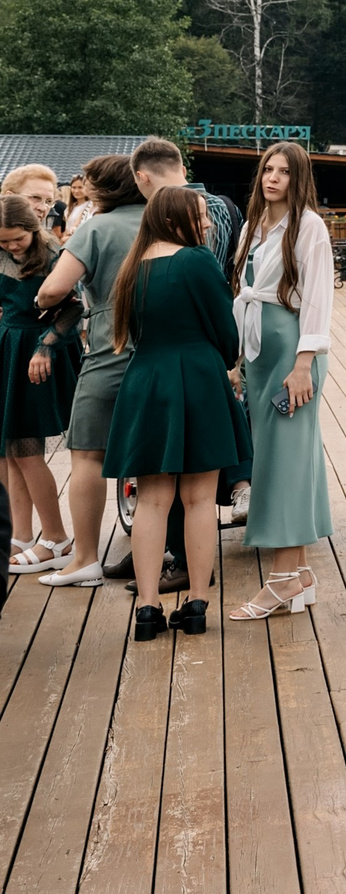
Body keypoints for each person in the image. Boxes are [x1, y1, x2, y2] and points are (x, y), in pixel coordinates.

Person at [33, 146, 207, 588]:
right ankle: (168, 554)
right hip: (166, 353)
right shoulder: (167, 222)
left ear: (107, 189)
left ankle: (86, 558)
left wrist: (41, 302)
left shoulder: (97, 227)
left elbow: (54, 289)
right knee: (165, 460)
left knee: (87, 452)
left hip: (111, 349)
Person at [104, 187, 252, 640]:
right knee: (199, 499)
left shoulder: (133, 266)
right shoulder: (196, 261)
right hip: (197, 378)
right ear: (176, 220)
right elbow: (227, 333)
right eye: (202, 216)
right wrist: (228, 357)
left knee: (151, 500)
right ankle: (197, 605)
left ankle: (147, 609)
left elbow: (128, 332)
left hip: (147, 379)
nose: (208, 224)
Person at [226, 142, 335, 619]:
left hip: (294, 352)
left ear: (299, 178)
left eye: (284, 172)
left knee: (284, 461)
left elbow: (317, 300)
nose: (272, 178)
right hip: (259, 349)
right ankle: (301, 575)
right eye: (267, 169)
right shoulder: (253, 225)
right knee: (284, 457)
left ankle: (282, 580)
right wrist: (237, 359)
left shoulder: (309, 227)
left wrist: (303, 363)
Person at [0, 193, 78, 574]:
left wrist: (46, 347)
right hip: (7, 348)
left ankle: (57, 537)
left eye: (18, 238)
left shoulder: (53, 255)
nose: (12, 246)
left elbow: (74, 308)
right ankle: (21, 533)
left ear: (33, 228)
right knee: (11, 450)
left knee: (27, 449)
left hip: (37, 352)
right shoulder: (1, 253)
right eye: (4, 241)